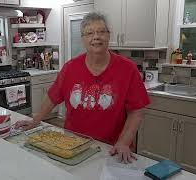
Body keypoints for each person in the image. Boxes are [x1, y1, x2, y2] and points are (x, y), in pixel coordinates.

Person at [15, 12, 150, 163]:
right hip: (73, 145)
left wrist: (124, 142)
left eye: (101, 32)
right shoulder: (70, 68)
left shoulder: (127, 69)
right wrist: (36, 120)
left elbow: (137, 111)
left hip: (111, 148)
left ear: (109, 35)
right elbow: (53, 97)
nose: (96, 36)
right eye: (90, 33)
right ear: (83, 39)